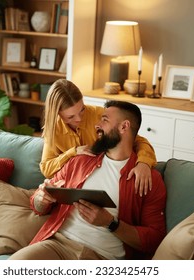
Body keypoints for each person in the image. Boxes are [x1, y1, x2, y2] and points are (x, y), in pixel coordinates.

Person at [9, 100, 167, 260]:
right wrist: (41, 200)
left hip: (102, 257)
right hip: (57, 245)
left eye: (104, 120)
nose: (97, 125)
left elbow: (154, 239)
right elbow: (36, 202)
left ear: (124, 127)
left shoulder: (148, 178)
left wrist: (111, 223)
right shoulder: (80, 160)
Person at [40, 79, 157, 196]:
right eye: (71, 117)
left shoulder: (101, 115)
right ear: (57, 113)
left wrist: (144, 163)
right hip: (74, 186)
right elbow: (46, 169)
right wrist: (73, 152)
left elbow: (139, 141)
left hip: (107, 181)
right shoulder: (53, 129)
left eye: (82, 110)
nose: (79, 119)